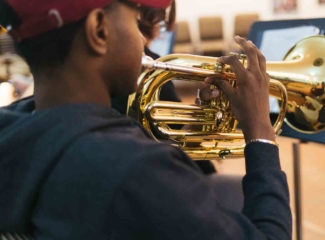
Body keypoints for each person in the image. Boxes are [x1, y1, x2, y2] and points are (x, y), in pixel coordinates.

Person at [0, 1, 292, 240]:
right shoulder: (135, 170)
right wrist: (260, 133)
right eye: (135, 20)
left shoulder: (14, 128)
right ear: (99, 30)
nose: (143, 38)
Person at [111, 1, 217, 175]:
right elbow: (196, 169)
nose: (143, 39)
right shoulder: (150, 70)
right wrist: (260, 137)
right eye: (133, 20)